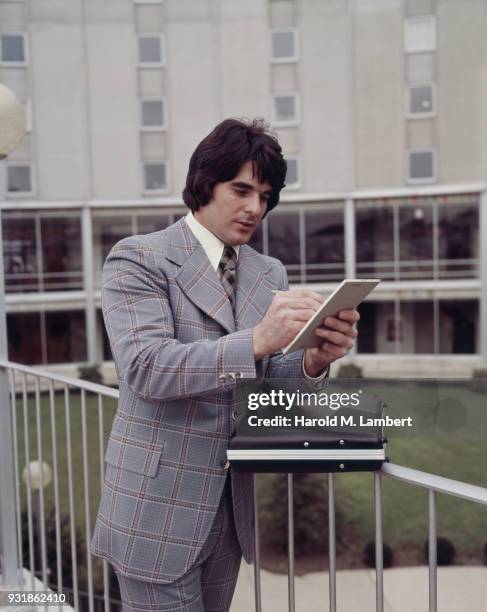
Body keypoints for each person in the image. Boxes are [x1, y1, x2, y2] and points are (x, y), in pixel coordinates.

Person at [91, 118, 359, 611]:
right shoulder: (138, 259)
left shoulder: (268, 271)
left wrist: (314, 361)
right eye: (241, 189)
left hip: (230, 514)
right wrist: (257, 339)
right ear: (203, 182)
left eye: (265, 195)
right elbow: (146, 368)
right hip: (155, 511)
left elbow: (262, 392)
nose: (255, 207)